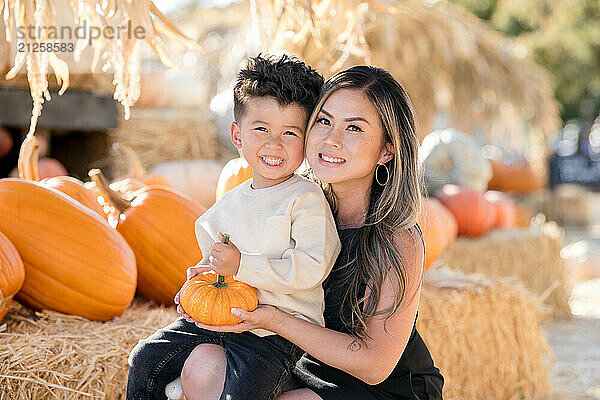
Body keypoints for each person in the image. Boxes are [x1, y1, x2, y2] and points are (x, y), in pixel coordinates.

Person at [185, 65, 444, 400]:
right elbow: (253, 271)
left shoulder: (397, 238)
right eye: (324, 121)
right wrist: (210, 279)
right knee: (203, 366)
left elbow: (375, 364)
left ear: (387, 150)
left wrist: (275, 321)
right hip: (303, 368)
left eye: (353, 127)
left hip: (382, 389)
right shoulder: (297, 206)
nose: (331, 139)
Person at [125, 54, 341, 400]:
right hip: (222, 320)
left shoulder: (305, 199)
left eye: (290, 132)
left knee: (241, 394)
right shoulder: (225, 206)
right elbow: (216, 268)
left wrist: (242, 265)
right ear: (237, 135)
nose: (274, 143)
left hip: (274, 336)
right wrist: (199, 283)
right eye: (261, 129)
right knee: (145, 359)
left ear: (307, 140)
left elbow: (312, 268)